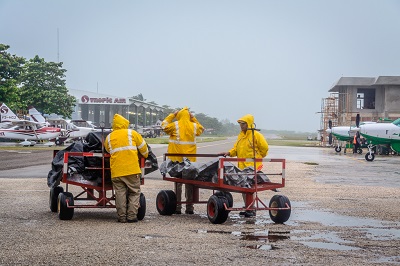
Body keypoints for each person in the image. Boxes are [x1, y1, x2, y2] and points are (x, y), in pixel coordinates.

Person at [219, 114, 269, 217]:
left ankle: (251, 209)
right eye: (240, 124)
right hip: (242, 166)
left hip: (252, 166)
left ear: (248, 124)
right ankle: (248, 208)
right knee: (243, 187)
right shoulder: (241, 136)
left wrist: (259, 156)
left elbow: (265, 148)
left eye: (243, 124)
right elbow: (236, 149)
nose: (241, 126)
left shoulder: (256, 135)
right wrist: (229, 153)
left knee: (249, 188)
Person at [104, 114, 149, 223]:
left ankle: (122, 217)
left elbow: (108, 150)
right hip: (132, 170)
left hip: (116, 171)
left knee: (120, 194)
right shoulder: (132, 133)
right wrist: (145, 155)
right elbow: (144, 149)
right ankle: (131, 216)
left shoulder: (109, 137)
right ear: (125, 123)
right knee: (134, 192)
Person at [161, 107, 204, 214]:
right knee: (189, 183)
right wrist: (193, 118)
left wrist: (172, 115)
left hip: (177, 160)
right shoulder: (194, 126)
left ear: (179, 115)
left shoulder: (175, 125)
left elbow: (163, 126)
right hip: (190, 161)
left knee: (178, 183)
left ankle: (178, 207)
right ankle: (189, 208)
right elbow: (201, 129)